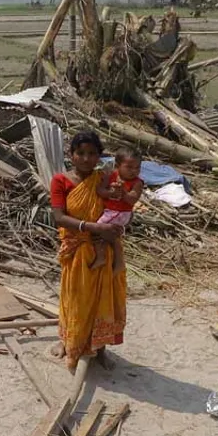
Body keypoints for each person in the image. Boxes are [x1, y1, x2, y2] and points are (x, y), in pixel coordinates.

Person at [48, 130, 128, 373]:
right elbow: (59, 217)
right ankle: (68, 343)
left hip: (104, 249)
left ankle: (99, 349)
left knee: (104, 300)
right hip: (77, 251)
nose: (86, 158)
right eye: (80, 153)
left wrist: (113, 225)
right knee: (75, 299)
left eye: (92, 154)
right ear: (71, 155)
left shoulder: (104, 180)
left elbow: (118, 207)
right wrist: (92, 227)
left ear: (99, 157)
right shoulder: (61, 181)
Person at [91, 149, 144, 271]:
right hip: (110, 211)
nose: (134, 171)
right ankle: (118, 261)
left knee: (96, 229)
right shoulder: (112, 176)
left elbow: (133, 200)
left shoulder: (137, 183)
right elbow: (100, 190)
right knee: (109, 236)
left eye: (137, 168)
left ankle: (101, 256)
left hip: (120, 213)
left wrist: (123, 192)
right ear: (117, 166)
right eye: (129, 167)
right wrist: (111, 192)